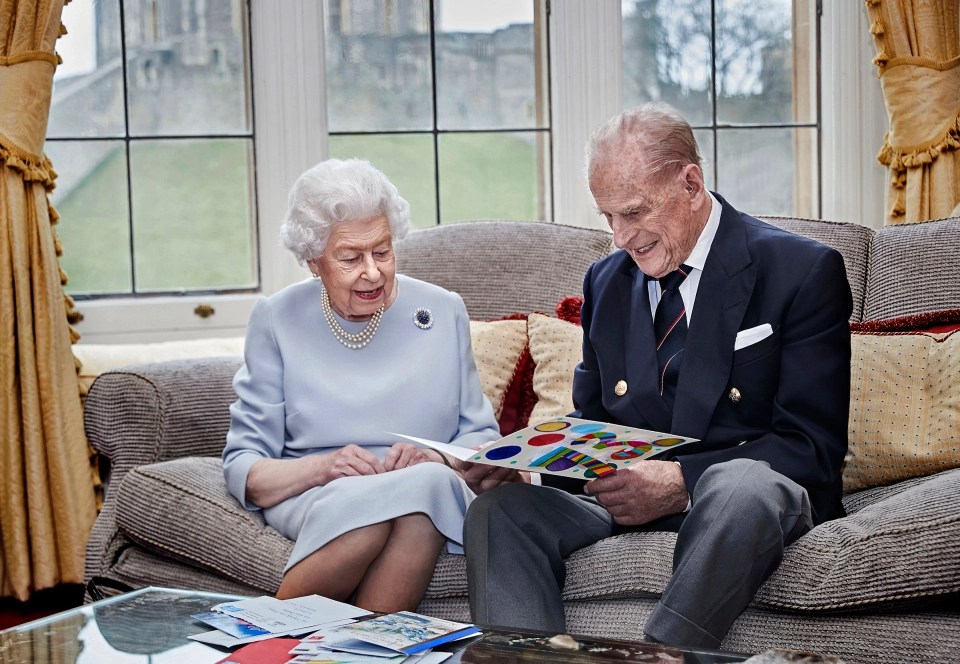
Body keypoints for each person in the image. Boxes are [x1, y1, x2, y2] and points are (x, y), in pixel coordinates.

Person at [462, 102, 852, 648]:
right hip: (625, 504)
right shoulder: (607, 281)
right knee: (500, 511)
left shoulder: (800, 271)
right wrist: (529, 469)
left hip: (736, 507)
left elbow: (812, 448)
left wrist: (680, 483)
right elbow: (594, 423)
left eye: (635, 212)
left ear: (691, 183)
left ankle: (658, 658)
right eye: (608, 217)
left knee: (742, 485)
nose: (621, 237)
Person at [223, 158, 500, 612]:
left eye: (383, 251)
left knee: (421, 495)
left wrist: (434, 455)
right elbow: (246, 467)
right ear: (314, 262)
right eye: (350, 258)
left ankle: (263, 645)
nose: (372, 272)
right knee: (384, 514)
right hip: (316, 490)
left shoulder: (442, 309)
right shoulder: (277, 319)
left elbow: (481, 438)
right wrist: (324, 468)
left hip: (424, 484)